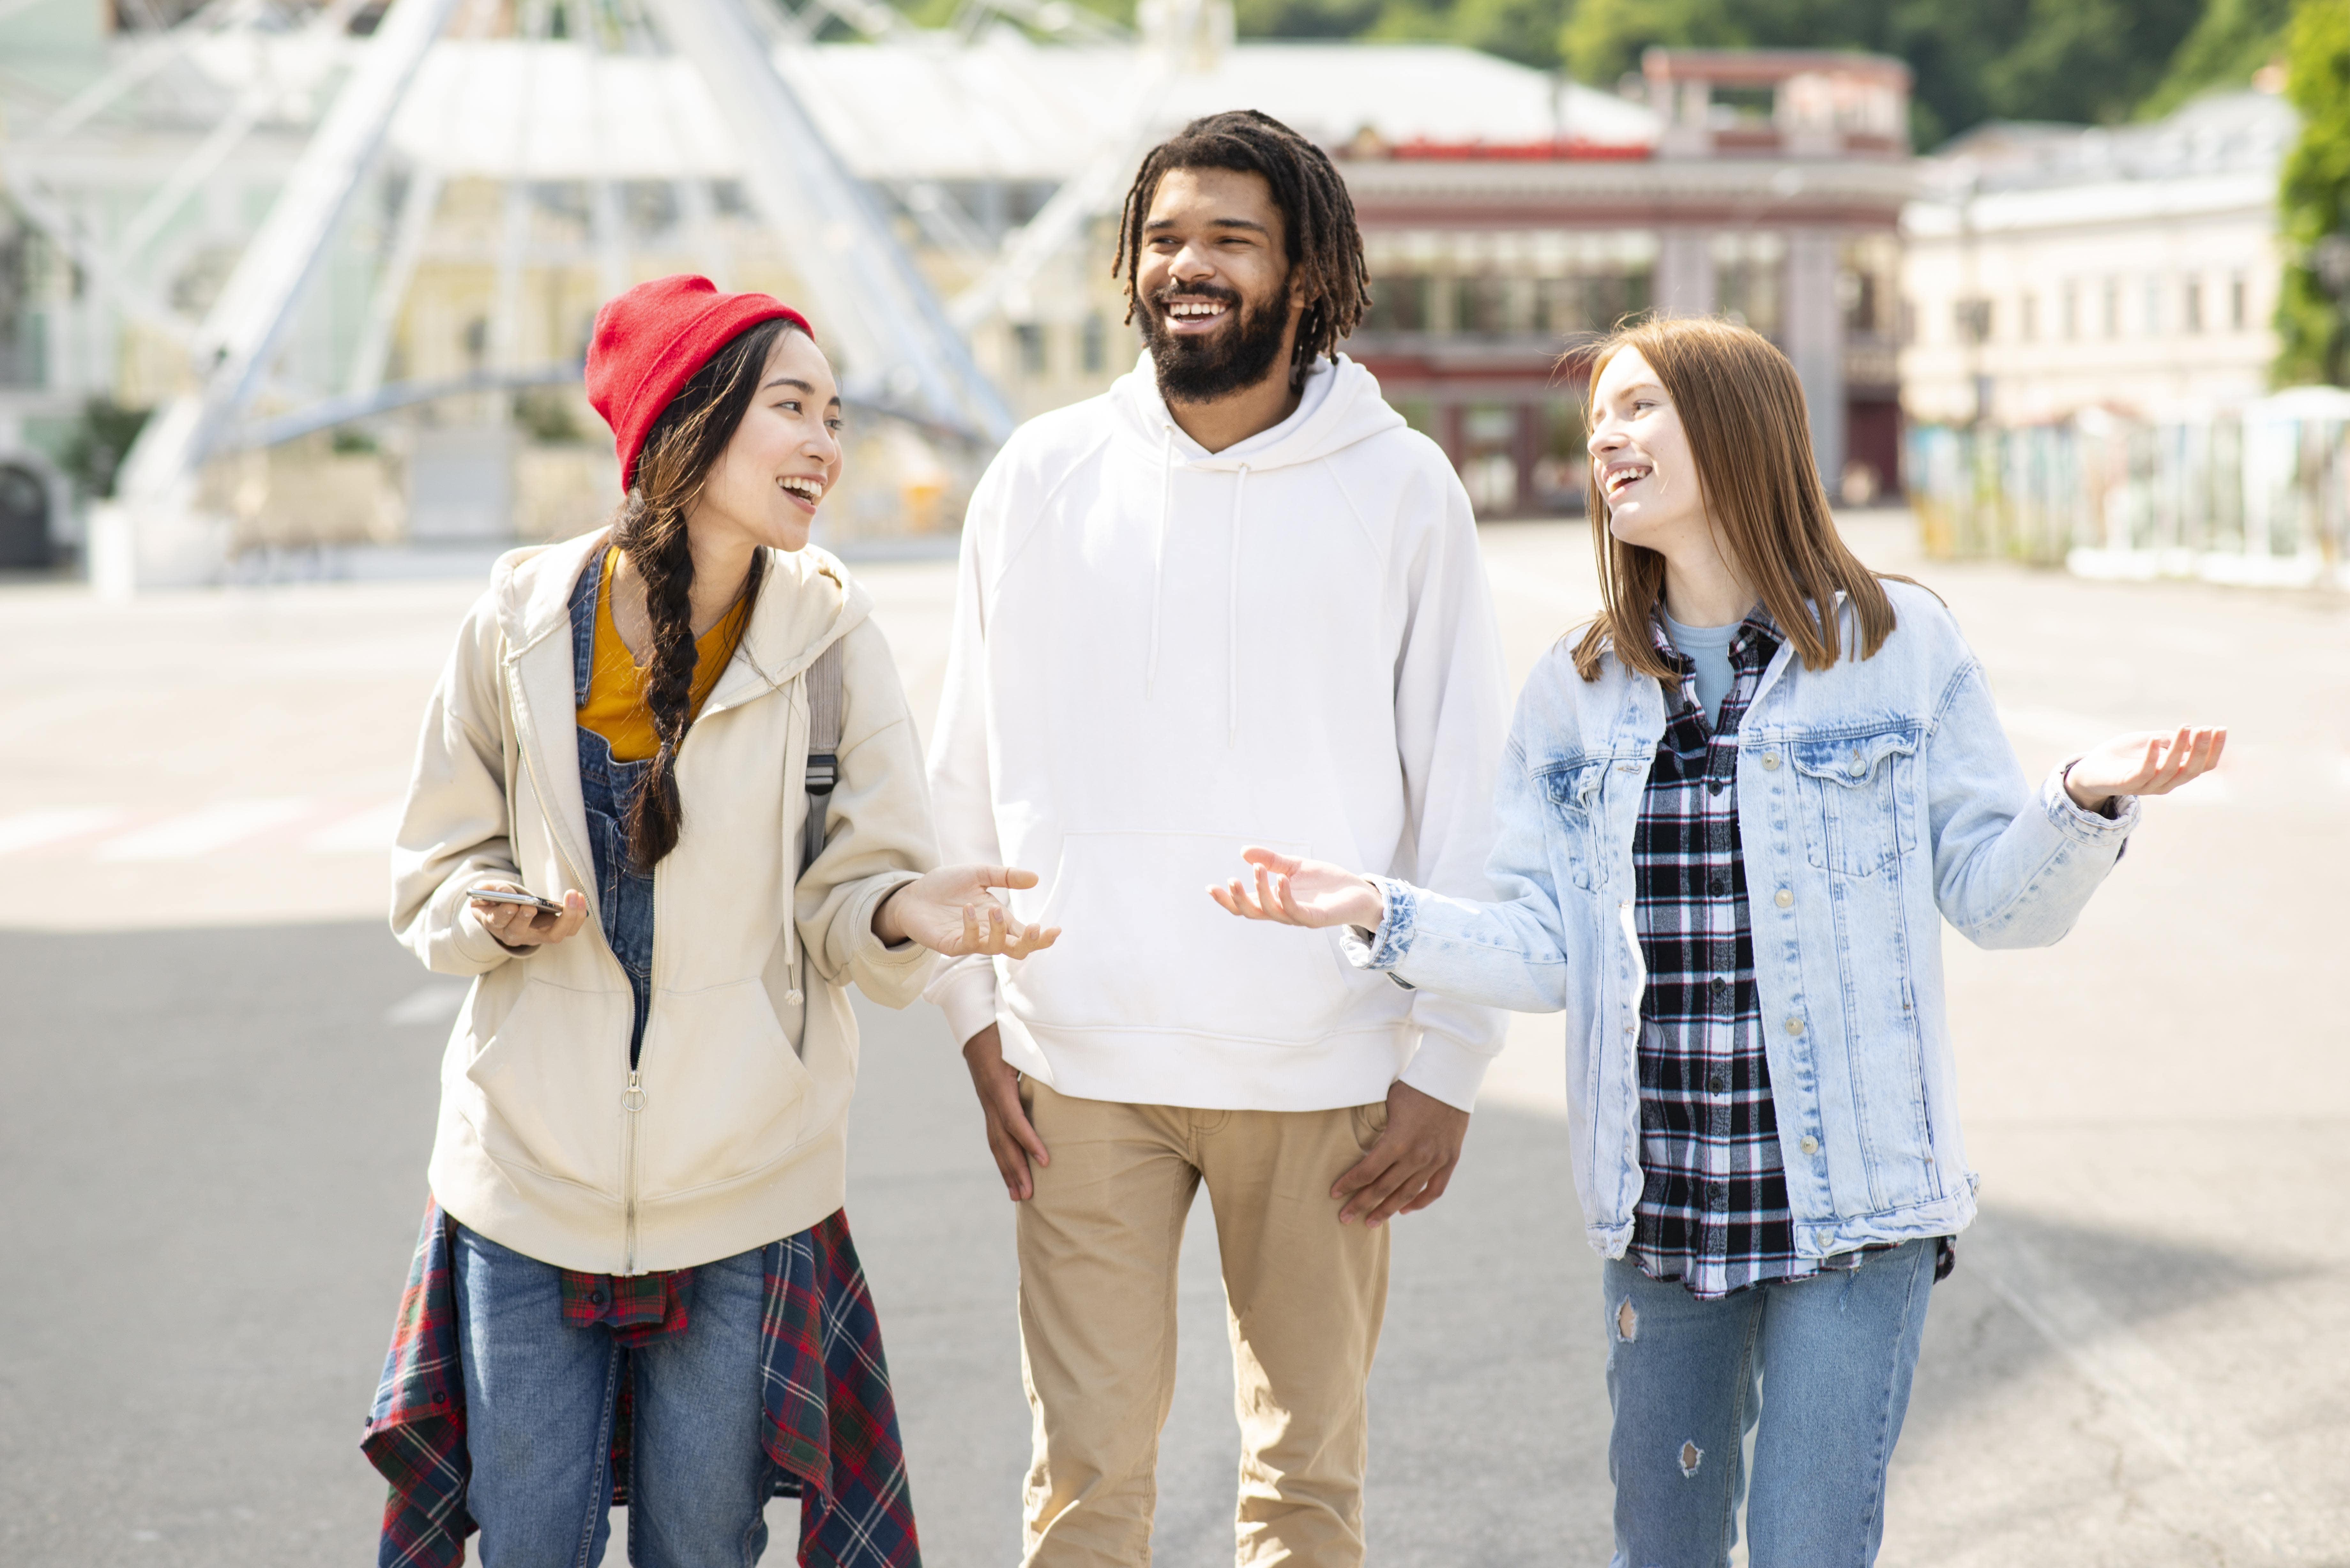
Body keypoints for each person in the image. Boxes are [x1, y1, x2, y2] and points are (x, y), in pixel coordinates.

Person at [1211, 315, 2226, 1566]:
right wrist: (1375, 910)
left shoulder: (1893, 647)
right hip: (1661, 1215)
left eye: (1638, 408)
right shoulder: (1573, 688)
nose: (1606, 438)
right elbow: (1543, 949)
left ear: (1737, 426)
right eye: (1598, 422)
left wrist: (2078, 798)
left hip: (1853, 1217)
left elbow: (1996, 902)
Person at [365, 275, 1056, 1568]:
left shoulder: (832, 638)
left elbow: (855, 901)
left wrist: (913, 906)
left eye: (833, 417)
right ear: (686, 423)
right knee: (529, 1544)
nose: (825, 448)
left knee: (703, 1543)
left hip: (746, 1183)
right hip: (524, 1177)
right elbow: (431, 871)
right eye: (789, 408)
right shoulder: (517, 626)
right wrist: (492, 913)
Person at [925, 110, 1510, 1567]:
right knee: (1082, 1483)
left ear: (1305, 272)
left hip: (1323, 1061)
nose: (1189, 266)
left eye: (1230, 240)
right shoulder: (1040, 477)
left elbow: (1464, 784)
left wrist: (1445, 1055)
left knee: (1305, 1489)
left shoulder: (1402, 487)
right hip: (1081, 1060)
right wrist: (973, 1019)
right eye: (1166, 238)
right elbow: (962, 762)